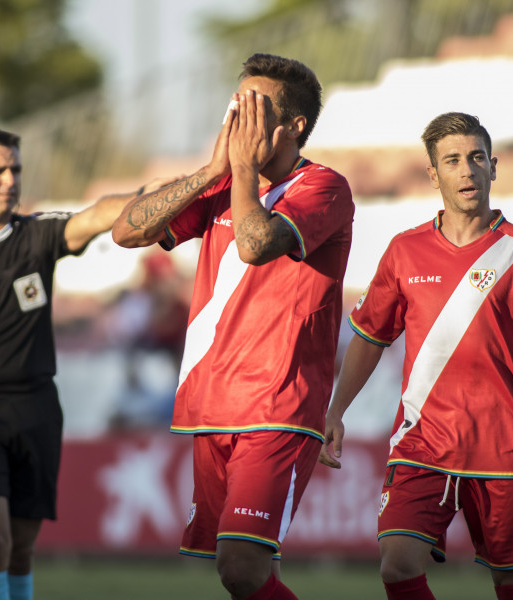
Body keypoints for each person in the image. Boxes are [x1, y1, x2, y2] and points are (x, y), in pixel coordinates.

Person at [318, 112, 513, 600]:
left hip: (502, 445)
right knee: (397, 565)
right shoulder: (404, 251)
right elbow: (368, 338)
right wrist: (335, 409)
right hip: (422, 442)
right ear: (433, 175)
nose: (466, 170)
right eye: (452, 161)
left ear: (494, 167)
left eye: (476, 158)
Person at [112, 53, 354, 600]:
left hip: (279, 402)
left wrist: (239, 170)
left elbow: (254, 244)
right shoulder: (223, 186)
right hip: (212, 402)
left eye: (252, 108)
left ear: (293, 126)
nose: (236, 120)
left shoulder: (325, 188)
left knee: (242, 566)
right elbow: (126, 232)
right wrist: (209, 173)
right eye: (234, 105)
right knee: (242, 578)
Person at [0, 127, 171, 600]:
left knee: (20, 552)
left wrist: (161, 192)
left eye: (16, 170)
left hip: (36, 411)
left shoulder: (39, 234)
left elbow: (98, 214)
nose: (9, 179)